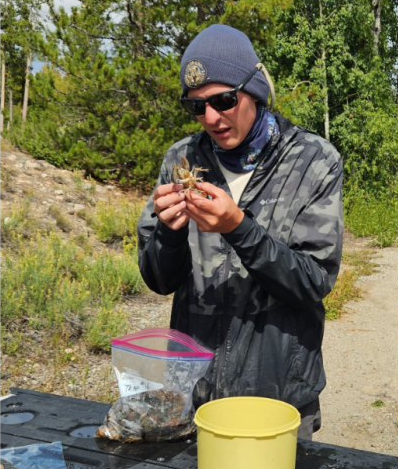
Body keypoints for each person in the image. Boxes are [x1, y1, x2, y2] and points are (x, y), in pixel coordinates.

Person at [137, 25, 343, 440]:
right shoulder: (181, 159)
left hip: (278, 396)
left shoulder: (314, 160)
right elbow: (158, 280)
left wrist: (239, 229)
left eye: (224, 100)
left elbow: (313, 280)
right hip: (191, 392)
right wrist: (169, 234)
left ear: (255, 91)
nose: (211, 118)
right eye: (196, 107)